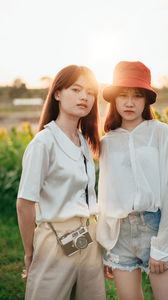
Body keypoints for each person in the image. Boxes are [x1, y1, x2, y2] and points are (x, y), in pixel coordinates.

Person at [96, 61, 168, 300]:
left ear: (146, 100)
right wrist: (106, 246)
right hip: (119, 234)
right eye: (123, 95)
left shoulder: (160, 132)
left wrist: (162, 245)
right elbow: (105, 194)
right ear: (114, 100)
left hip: (154, 227)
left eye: (137, 95)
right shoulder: (108, 141)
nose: (129, 102)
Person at [17, 65, 106, 300]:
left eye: (89, 92)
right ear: (57, 94)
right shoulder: (43, 143)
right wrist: (30, 253)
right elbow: (25, 203)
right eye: (76, 89)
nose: (84, 97)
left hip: (89, 238)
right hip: (55, 239)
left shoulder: (85, 142)